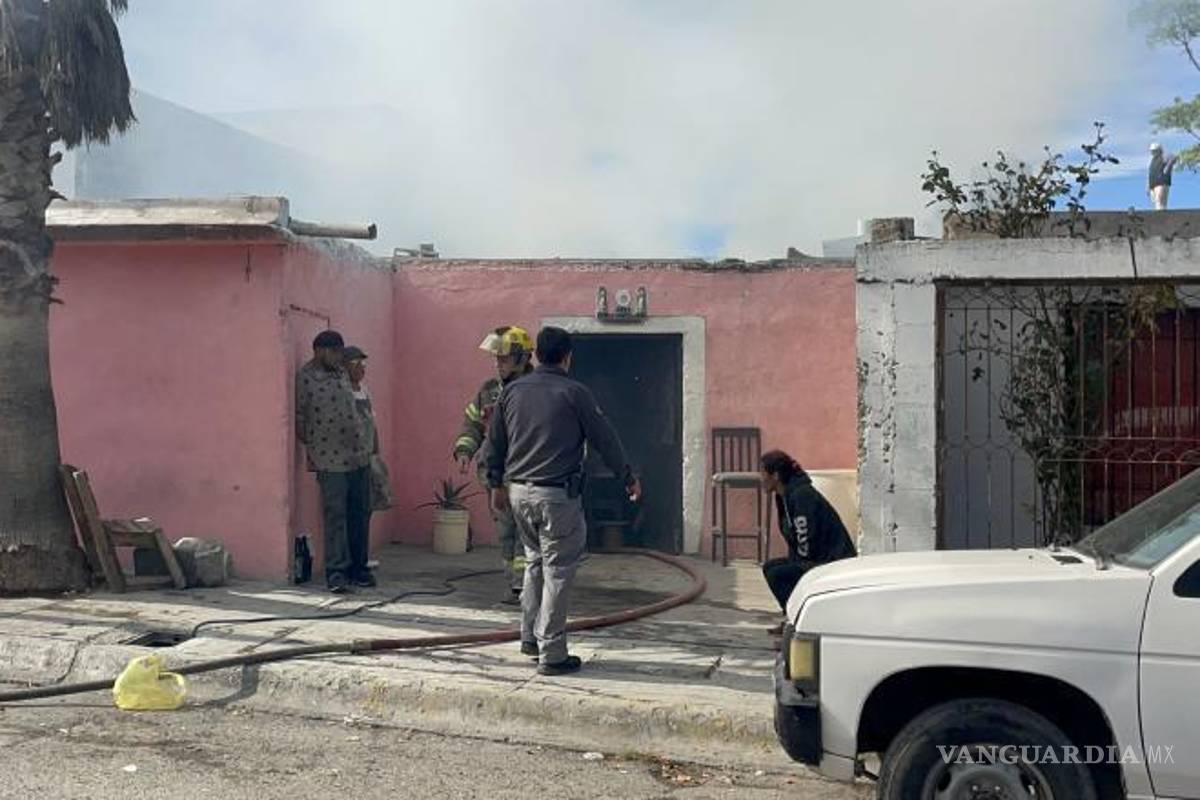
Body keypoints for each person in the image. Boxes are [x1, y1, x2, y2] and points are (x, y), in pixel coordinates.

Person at [482, 326, 641, 676]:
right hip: (556, 496)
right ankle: (552, 653)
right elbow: (604, 439)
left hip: (518, 493)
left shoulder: (511, 393)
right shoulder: (575, 393)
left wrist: (495, 485)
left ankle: (529, 637)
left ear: (536, 355)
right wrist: (627, 476)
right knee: (557, 570)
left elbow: (494, 443)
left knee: (534, 562)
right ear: (568, 357)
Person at [452, 326, 535, 603]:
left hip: (526, 475)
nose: (497, 363)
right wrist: (465, 449)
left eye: (503, 358)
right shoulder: (488, 392)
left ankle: (526, 586)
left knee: (528, 532)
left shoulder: (537, 389)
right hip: (494, 476)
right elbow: (473, 424)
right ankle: (514, 585)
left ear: (522, 359)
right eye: (495, 358)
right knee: (506, 532)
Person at [295, 330, 374, 594]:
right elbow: (300, 417)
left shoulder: (341, 372)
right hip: (330, 460)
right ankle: (337, 572)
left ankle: (359, 569)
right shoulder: (306, 377)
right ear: (319, 350)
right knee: (335, 516)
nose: (339, 357)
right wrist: (315, 449)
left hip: (357, 454)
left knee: (360, 513)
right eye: (335, 352)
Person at [759, 449, 856, 633]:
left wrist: (801, 569)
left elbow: (806, 537)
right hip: (814, 558)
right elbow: (795, 539)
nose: (760, 479)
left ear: (776, 475)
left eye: (763, 473)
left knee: (778, 574)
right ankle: (793, 617)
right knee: (770, 567)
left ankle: (802, 621)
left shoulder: (801, 496)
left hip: (830, 560)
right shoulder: (784, 496)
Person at [344, 345, 394, 518]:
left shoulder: (364, 390)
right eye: (355, 363)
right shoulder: (343, 392)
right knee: (350, 509)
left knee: (366, 507)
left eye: (363, 363)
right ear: (344, 366)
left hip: (367, 459)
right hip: (347, 461)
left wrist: (376, 454)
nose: (361, 368)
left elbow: (372, 423)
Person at [1149, 142, 1179, 211]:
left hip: (1162, 182)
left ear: (1159, 150)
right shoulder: (1152, 161)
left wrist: (1168, 166)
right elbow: (1150, 173)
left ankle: (1161, 216)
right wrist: (1148, 186)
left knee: (1160, 200)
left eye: (1154, 150)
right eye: (1152, 151)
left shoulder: (1164, 157)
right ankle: (1159, 216)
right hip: (1153, 184)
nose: (1153, 152)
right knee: (1156, 201)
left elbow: (1174, 157)